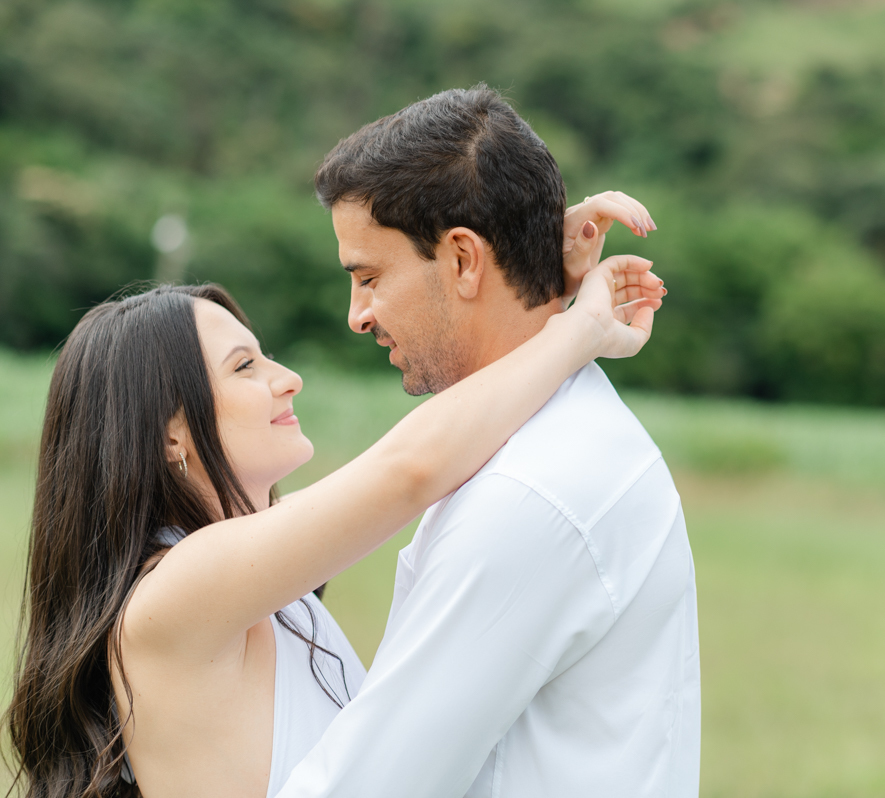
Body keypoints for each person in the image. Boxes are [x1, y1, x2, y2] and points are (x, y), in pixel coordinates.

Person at [5, 203, 663, 795]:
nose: (287, 379)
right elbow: (414, 466)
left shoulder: (248, 583)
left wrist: (522, 274)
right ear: (169, 434)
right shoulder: (177, 591)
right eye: (244, 367)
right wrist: (583, 330)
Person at [276, 85, 700, 798]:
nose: (358, 315)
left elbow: (368, 784)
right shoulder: (556, 437)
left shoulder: (531, 494)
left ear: (465, 260)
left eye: (370, 276)